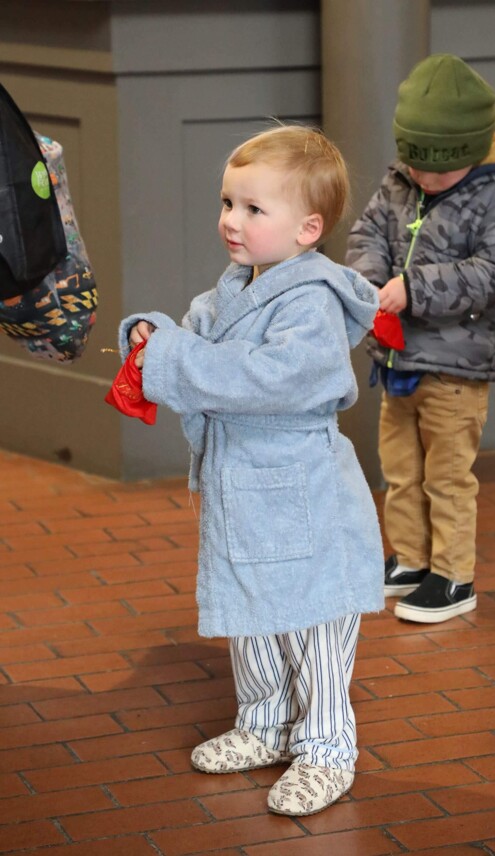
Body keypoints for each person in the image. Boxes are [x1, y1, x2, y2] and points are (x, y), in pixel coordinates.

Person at [118, 124, 384, 816]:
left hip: (301, 489)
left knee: (313, 620)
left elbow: (272, 378)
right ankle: (265, 721)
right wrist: (152, 337)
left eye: (252, 209)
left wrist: (174, 360)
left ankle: (327, 747)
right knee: (254, 614)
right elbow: (191, 337)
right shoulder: (235, 288)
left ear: (308, 228)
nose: (231, 221)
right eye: (227, 202)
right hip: (243, 483)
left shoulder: (314, 304)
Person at [345, 54, 495, 624]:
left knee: (446, 475)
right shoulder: (404, 175)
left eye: (435, 173)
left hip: (456, 367)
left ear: (467, 153)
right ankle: (413, 560)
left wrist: (412, 288)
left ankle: (453, 575)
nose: (420, 179)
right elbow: (369, 228)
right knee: (400, 468)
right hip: (399, 359)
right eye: (413, 165)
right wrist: (371, 278)